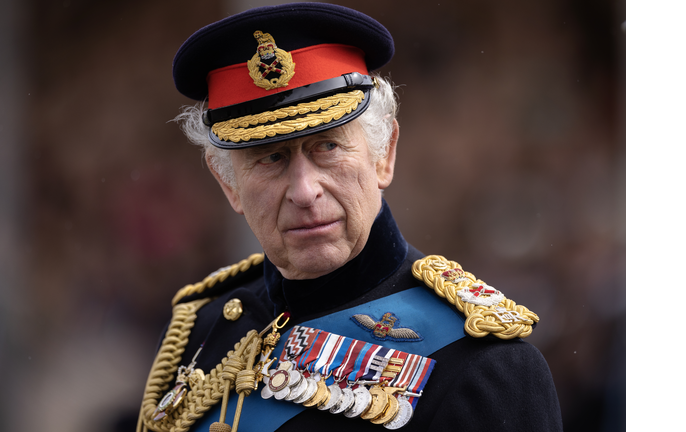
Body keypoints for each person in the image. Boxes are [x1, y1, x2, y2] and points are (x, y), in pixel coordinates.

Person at [136, 3, 562, 432]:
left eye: (328, 147)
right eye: (270, 158)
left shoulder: (484, 366)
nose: (305, 191)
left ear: (384, 154)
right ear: (228, 184)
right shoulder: (199, 329)